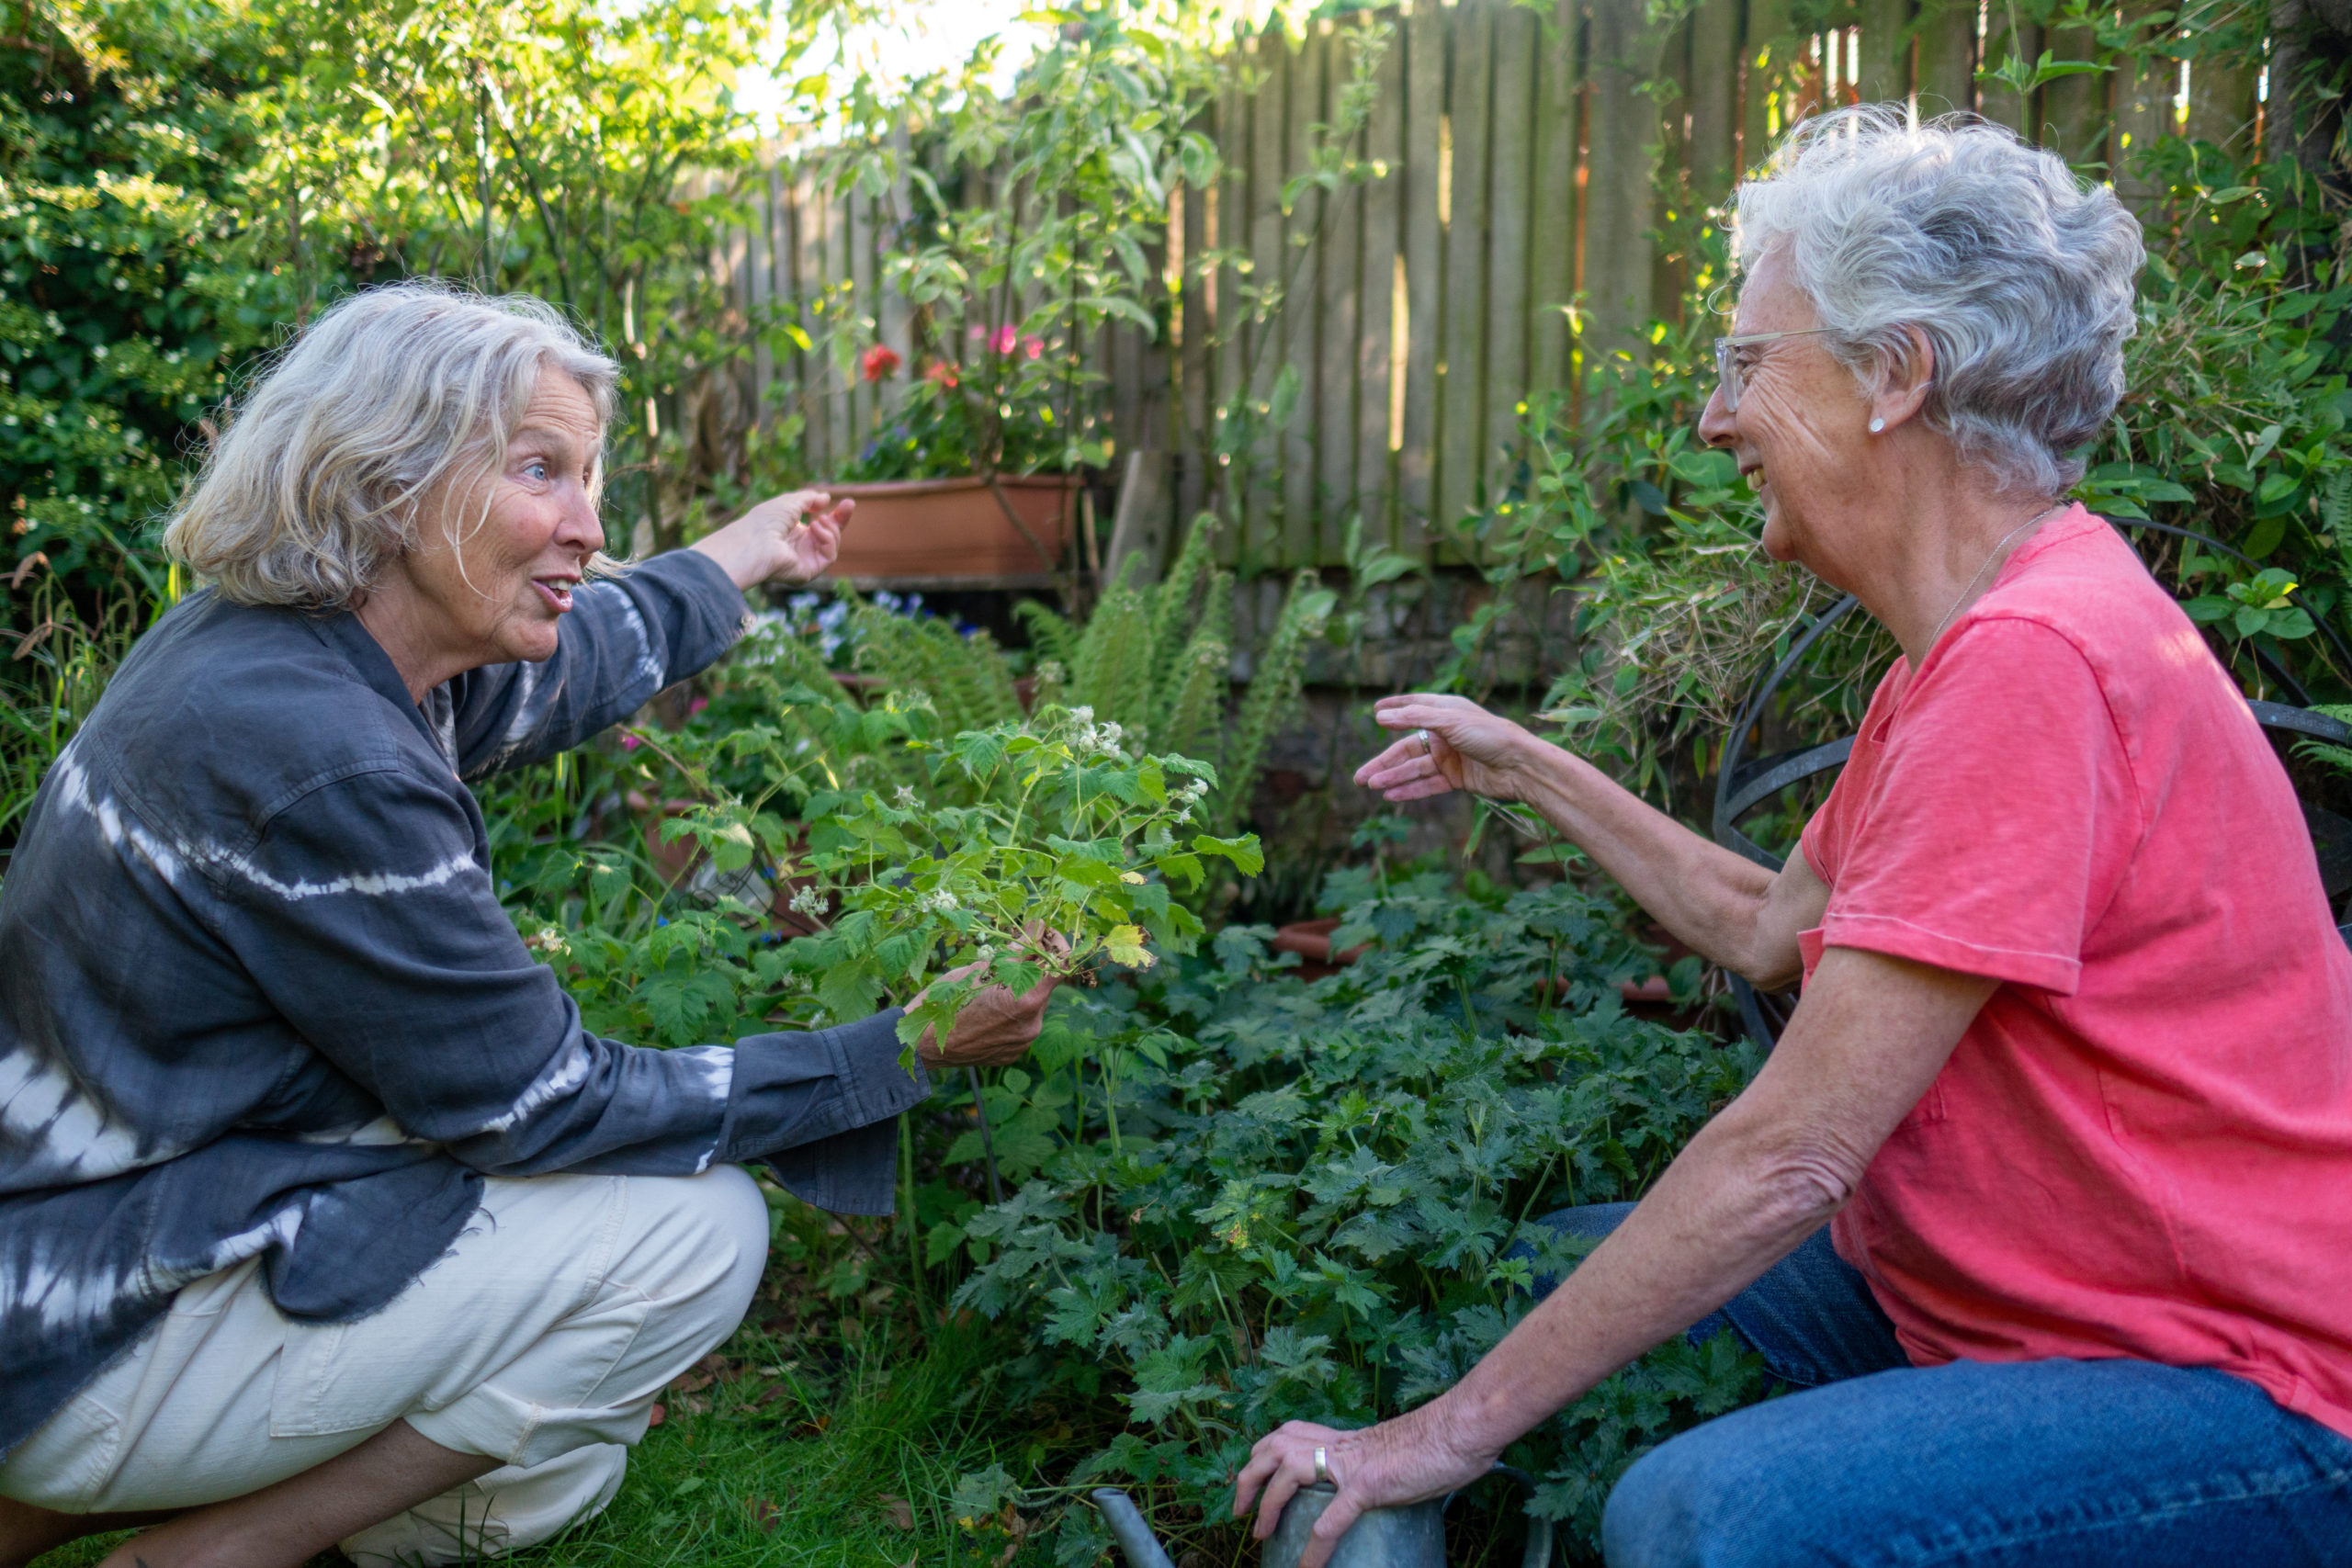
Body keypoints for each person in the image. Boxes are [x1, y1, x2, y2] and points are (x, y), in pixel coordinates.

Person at [1235, 107, 2352, 1567]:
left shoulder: (2034, 665)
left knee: (1708, 1523)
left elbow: (1791, 1158)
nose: (1715, 420)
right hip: (2023, 1298)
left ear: (1894, 376)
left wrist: (1437, 1437)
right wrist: (1527, 771)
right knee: (1537, 1272)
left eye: (1747, 364)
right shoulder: (1967, 649)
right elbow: (1773, 928)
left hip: (2238, 1389)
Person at [0, 281, 1057, 1568]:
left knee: (551, 1470)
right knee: (693, 1241)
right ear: (390, 479)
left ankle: (60, 1500)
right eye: (541, 469)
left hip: (107, 1228)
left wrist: (747, 551)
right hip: (82, 1303)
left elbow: (598, 646)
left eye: (591, 474)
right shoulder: (323, 756)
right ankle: (210, 1547)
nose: (588, 522)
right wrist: (904, 1048)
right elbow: (544, 1101)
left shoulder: (296, 650)